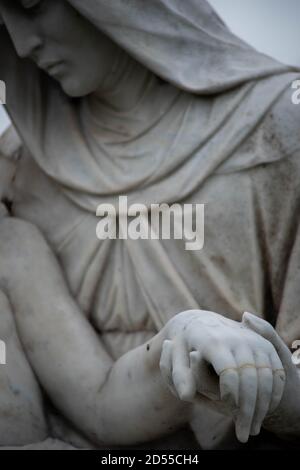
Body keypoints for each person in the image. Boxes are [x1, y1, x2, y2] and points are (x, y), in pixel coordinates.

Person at [0, 0, 299, 450]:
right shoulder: (17, 164)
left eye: (33, 5)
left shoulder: (282, 127)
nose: (22, 45)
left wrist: (259, 384)